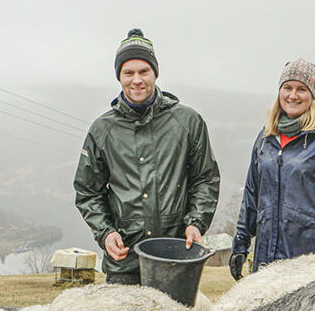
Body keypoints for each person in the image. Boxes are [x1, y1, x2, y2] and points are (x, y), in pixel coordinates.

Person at [74, 28, 221, 285]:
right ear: (119, 77)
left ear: (155, 73)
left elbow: (205, 179)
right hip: (125, 260)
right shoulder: (102, 130)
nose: (137, 80)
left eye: (144, 71)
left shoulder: (187, 121)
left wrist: (196, 223)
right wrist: (106, 233)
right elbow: (88, 191)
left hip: (177, 255)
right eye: (128, 73)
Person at [229, 58, 315, 280]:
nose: (293, 95)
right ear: (279, 91)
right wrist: (240, 244)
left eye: (302, 89)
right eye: (287, 87)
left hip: (313, 259)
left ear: (312, 94)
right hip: (266, 257)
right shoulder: (265, 138)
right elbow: (251, 196)